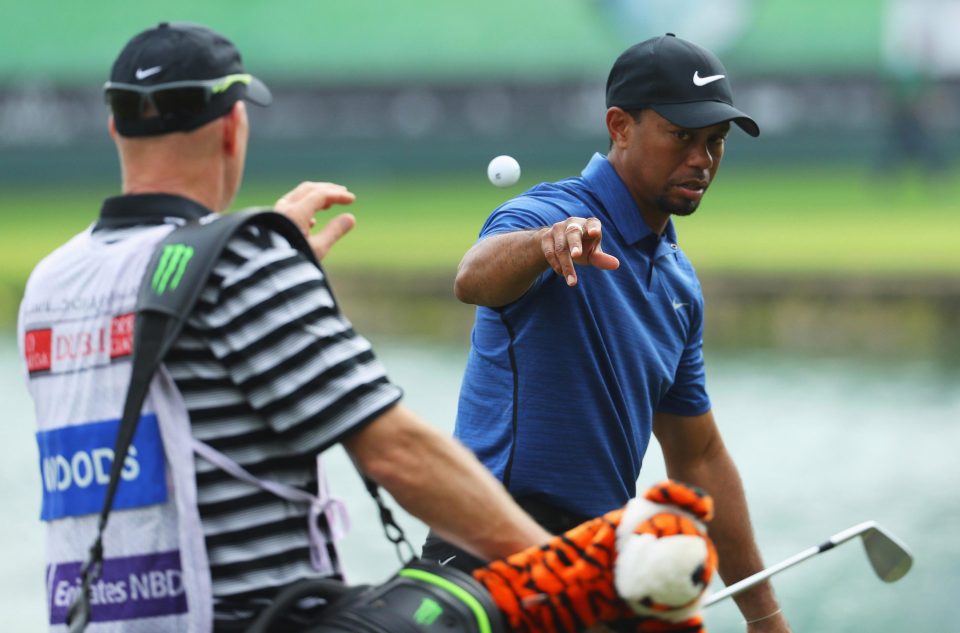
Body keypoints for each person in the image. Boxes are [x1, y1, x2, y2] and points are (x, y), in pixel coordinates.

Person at [19, 22, 551, 632]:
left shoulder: (53, 281)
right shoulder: (242, 267)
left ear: (116, 125)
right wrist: (569, 569)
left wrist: (259, 261)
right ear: (231, 127)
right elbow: (399, 453)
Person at [423, 34, 792, 632]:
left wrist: (765, 616)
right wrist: (544, 247)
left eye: (714, 143)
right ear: (620, 126)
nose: (702, 160)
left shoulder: (678, 282)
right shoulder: (552, 215)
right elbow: (473, 277)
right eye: (682, 137)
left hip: (594, 564)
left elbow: (697, 456)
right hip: (489, 547)